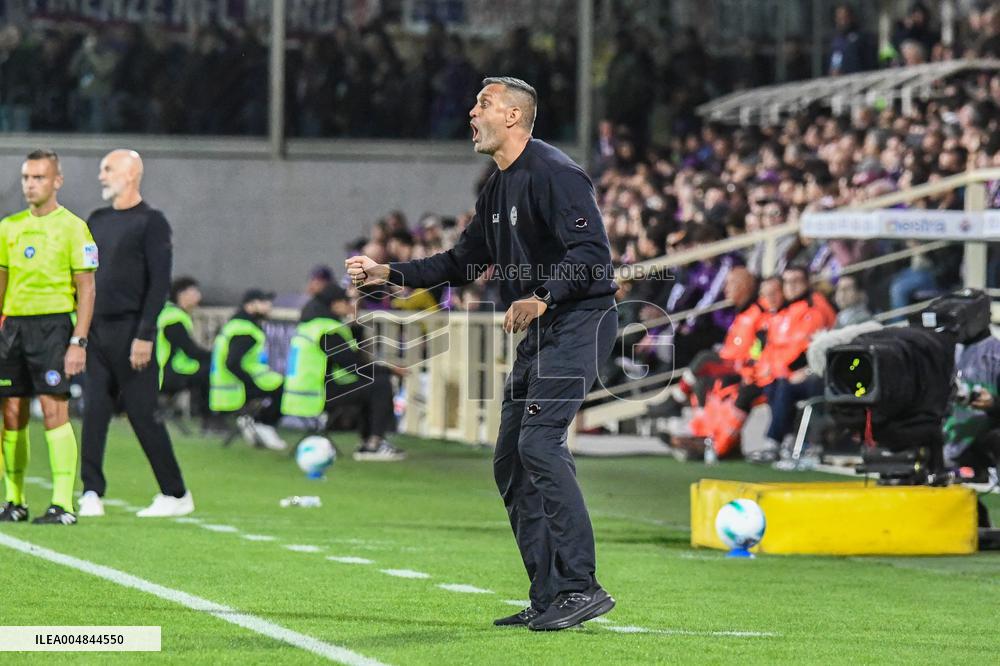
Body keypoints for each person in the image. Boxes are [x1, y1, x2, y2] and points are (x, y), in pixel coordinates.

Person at [346, 76, 619, 631]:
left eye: (483, 104)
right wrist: (387, 273)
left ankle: (581, 587)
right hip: (541, 332)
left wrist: (542, 296)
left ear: (514, 116)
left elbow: (592, 253)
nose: (471, 113)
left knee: (539, 443)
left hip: (579, 322)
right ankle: (549, 595)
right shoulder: (496, 189)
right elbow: (460, 263)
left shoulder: (555, 173)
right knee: (511, 460)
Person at [79, 149, 193, 519]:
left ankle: (176, 494)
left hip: (132, 332)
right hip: (96, 331)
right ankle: (91, 491)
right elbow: (84, 275)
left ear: (130, 174)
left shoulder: (152, 222)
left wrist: (145, 334)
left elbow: (159, 283)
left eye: (107, 169)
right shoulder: (96, 220)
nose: (101, 175)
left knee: (143, 414)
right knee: (93, 412)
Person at [0, 149, 96, 525]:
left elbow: (86, 288)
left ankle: (62, 504)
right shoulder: (8, 227)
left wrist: (78, 340)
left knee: (55, 408)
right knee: (11, 411)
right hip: (13, 328)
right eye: (26, 177)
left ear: (57, 181)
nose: (30, 184)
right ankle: (14, 500)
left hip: (54, 327)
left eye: (39, 177)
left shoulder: (74, 227)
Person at [280, 283, 404, 460]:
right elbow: (352, 365)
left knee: (370, 383)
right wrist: (388, 370)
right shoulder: (328, 329)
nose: (351, 305)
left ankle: (369, 442)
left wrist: (355, 327)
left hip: (298, 396)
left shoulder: (309, 326)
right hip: (318, 396)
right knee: (380, 384)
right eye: (347, 301)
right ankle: (373, 445)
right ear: (335, 304)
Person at [209, 288, 287, 451]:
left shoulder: (236, 325)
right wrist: (250, 383)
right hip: (239, 384)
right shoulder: (245, 330)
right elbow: (232, 363)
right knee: (286, 390)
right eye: (264, 302)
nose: (269, 306)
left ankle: (251, 422)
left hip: (229, 383)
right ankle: (264, 426)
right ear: (250, 305)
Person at [157, 276, 212, 428]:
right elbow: (189, 350)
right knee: (209, 371)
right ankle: (209, 419)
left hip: (166, 369)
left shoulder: (170, 313)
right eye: (194, 292)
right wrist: (216, 357)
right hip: (166, 372)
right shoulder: (174, 318)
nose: (199, 297)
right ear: (181, 294)